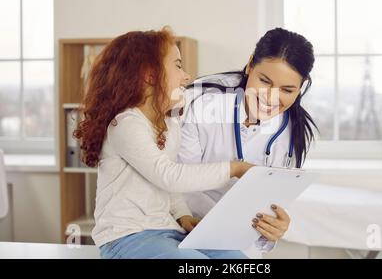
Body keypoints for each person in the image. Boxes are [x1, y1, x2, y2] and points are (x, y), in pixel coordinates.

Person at [74, 28, 253, 259]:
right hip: (126, 237)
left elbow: (168, 187)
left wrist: (183, 215)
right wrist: (235, 168)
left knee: (235, 258)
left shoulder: (170, 125)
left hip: (167, 231)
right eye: (178, 65)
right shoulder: (125, 124)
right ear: (150, 74)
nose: (186, 76)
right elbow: (168, 175)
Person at [178, 27, 317, 254]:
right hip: (185, 225)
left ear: (301, 87)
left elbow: (273, 200)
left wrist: (275, 226)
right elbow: (180, 181)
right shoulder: (200, 101)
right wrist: (219, 223)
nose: (271, 97)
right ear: (250, 64)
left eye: (287, 89)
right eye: (264, 81)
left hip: (240, 241)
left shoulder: (295, 133)